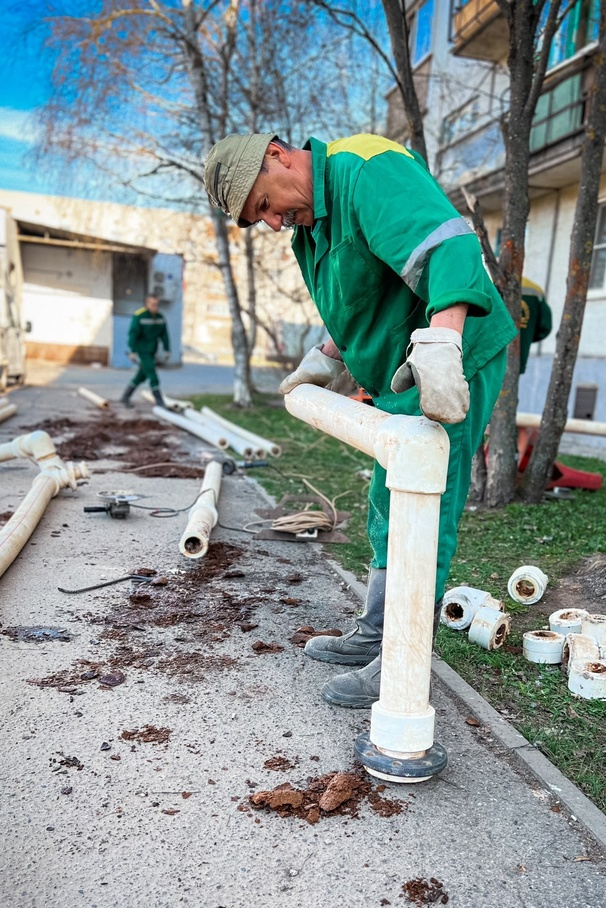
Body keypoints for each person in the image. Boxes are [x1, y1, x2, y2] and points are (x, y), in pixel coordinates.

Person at [203, 132, 517, 708]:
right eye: (260, 219)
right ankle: (377, 630)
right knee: (387, 498)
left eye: (265, 206)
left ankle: (401, 659)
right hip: (402, 363)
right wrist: (327, 356)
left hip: (451, 354)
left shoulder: (368, 168)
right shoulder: (311, 224)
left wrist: (444, 342)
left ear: (274, 156)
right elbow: (358, 298)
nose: (272, 223)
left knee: (425, 503)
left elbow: (446, 244)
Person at [120, 293, 172, 408]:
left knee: (142, 375)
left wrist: (167, 349)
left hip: (152, 350)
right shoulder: (139, 316)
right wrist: (133, 351)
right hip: (142, 350)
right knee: (152, 374)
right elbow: (133, 334)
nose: (155, 307)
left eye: (157, 305)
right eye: (153, 305)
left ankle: (125, 397)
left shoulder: (160, 317)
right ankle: (159, 400)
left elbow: (164, 334)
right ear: (147, 304)